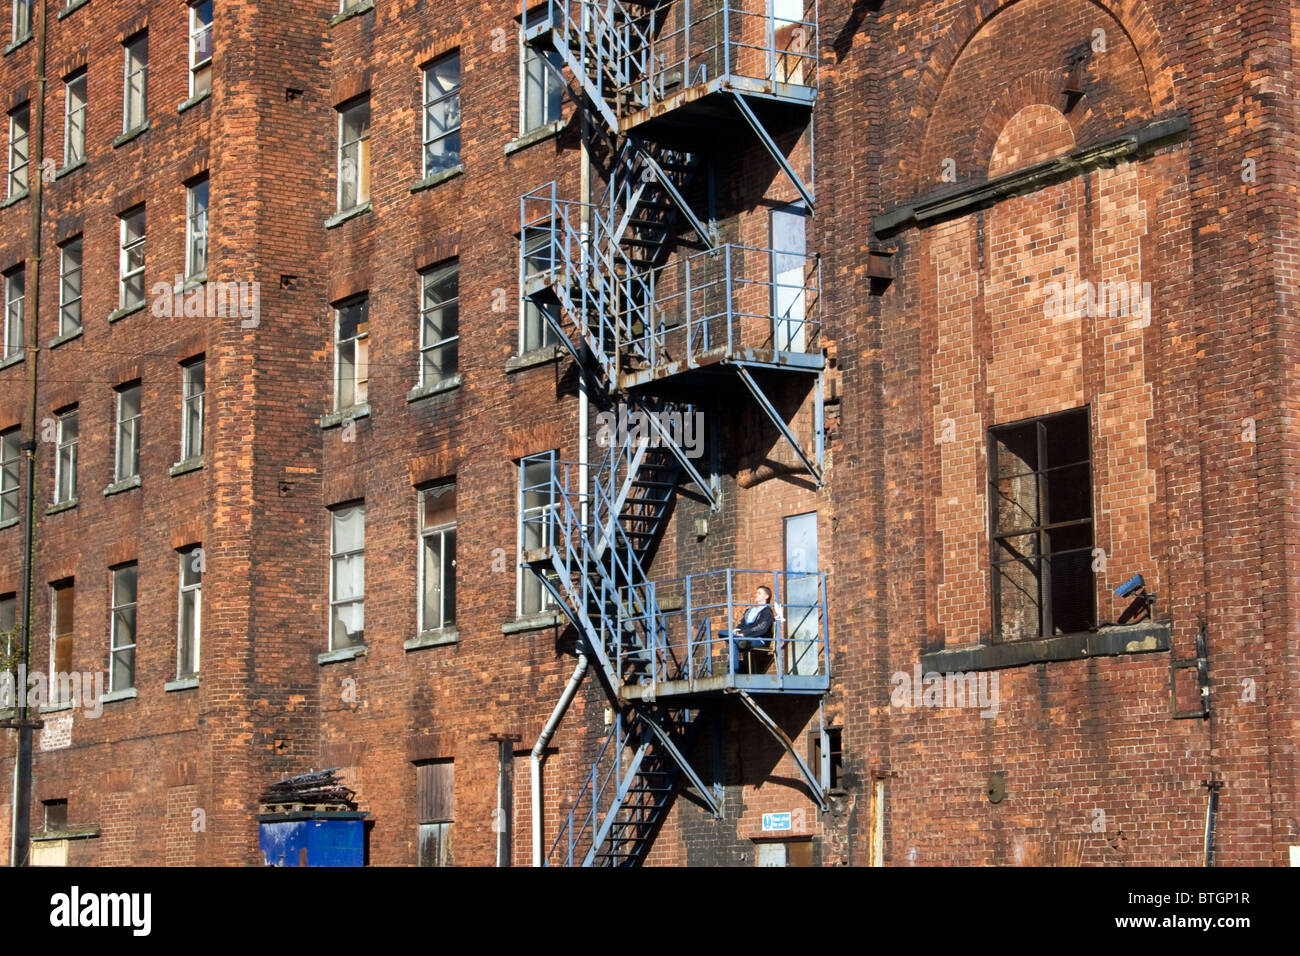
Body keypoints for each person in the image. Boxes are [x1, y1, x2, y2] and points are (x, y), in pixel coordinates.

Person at [721, 585, 775, 674]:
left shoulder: (767, 612)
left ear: (766, 596)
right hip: (744, 638)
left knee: (732, 641)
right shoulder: (750, 611)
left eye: (759, 593)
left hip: (759, 640)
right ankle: (739, 641)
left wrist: (744, 634)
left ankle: (732, 672)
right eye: (756, 593)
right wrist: (737, 631)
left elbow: (761, 628)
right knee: (722, 633)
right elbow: (742, 624)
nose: (756, 595)